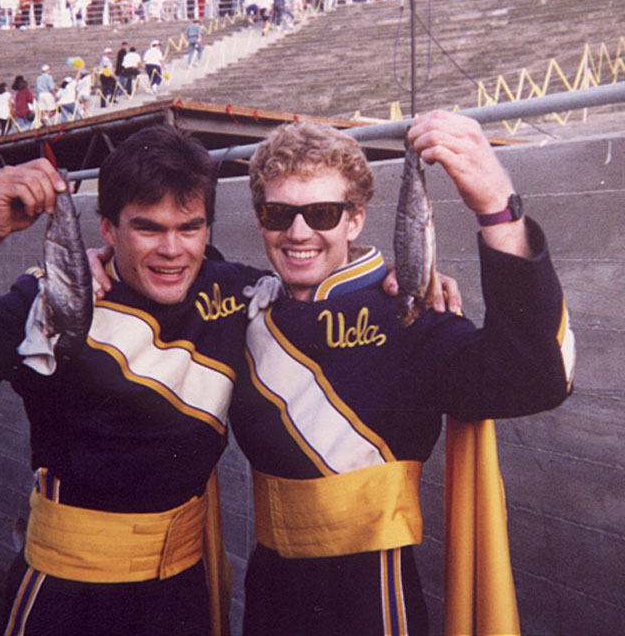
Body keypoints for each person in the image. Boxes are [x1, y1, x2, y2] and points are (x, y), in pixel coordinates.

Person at [0, 124, 268, 636]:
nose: (172, 249)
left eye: (189, 227)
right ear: (107, 230)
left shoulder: (235, 290)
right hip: (71, 596)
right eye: (148, 228)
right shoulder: (48, 301)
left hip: (183, 589)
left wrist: (395, 281)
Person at [223, 113, 576, 635]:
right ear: (260, 219)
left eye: (321, 213)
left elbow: (535, 377)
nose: (299, 232)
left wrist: (498, 210)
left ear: (355, 220)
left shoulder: (409, 312)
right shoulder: (243, 302)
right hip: (270, 591)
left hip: (372, 595)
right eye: (278, 213)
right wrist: (93, 258)